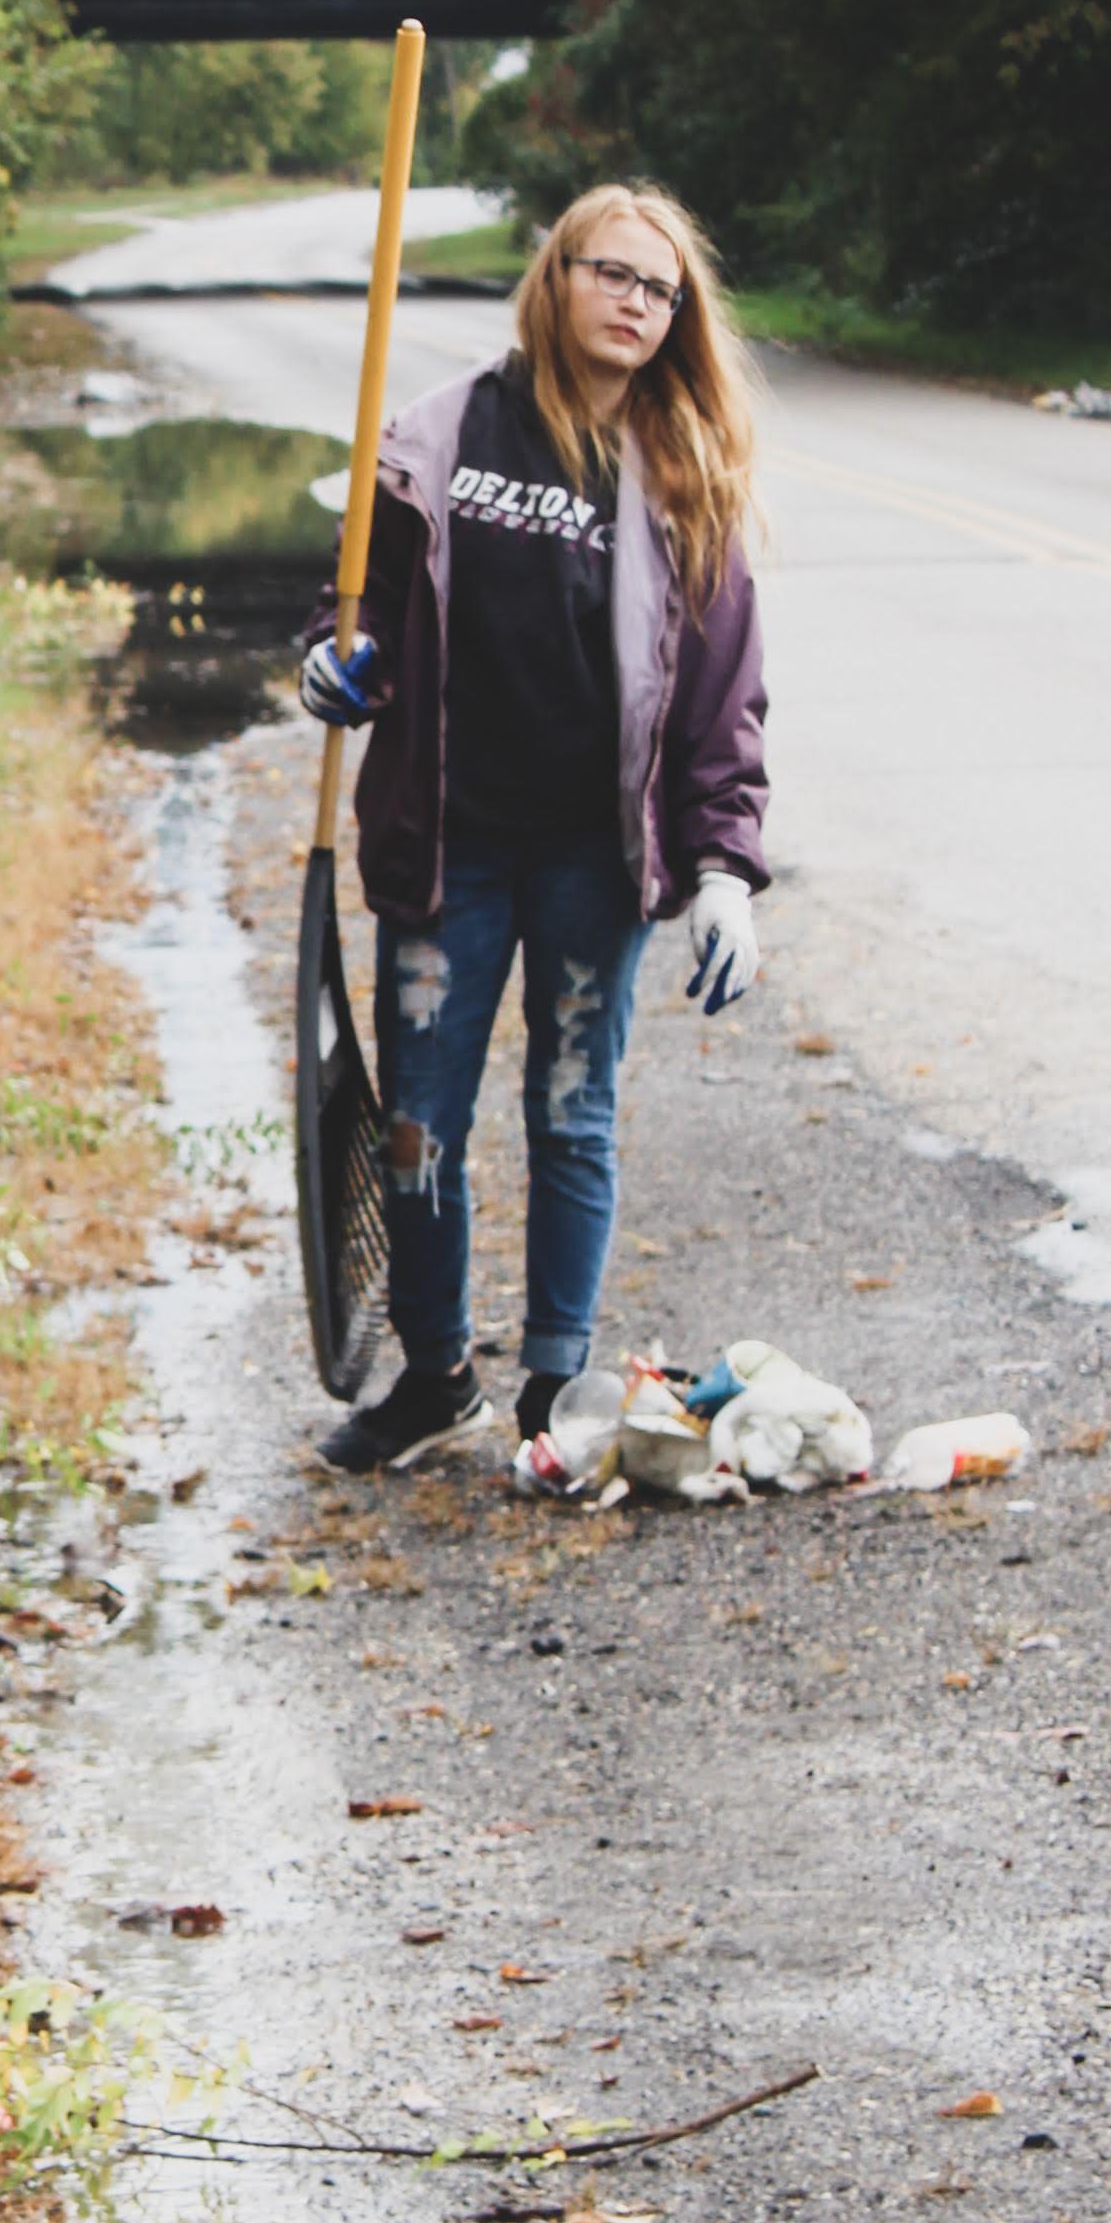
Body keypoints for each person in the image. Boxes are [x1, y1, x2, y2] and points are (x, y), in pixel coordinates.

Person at [298, 182, 767, 1481]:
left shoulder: (682, 479)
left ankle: (553, 1387)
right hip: (448, 848)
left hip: (592, 864)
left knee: (572, 1112)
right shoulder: (444, 436)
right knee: (418, 1125)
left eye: (658, 289)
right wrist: (331, 667)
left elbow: (724, 700)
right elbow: (363, 613)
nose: (633, 301)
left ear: (677, 318)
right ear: (555, 278)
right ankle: (436, 1374)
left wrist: (725, 865)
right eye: (610, 273)